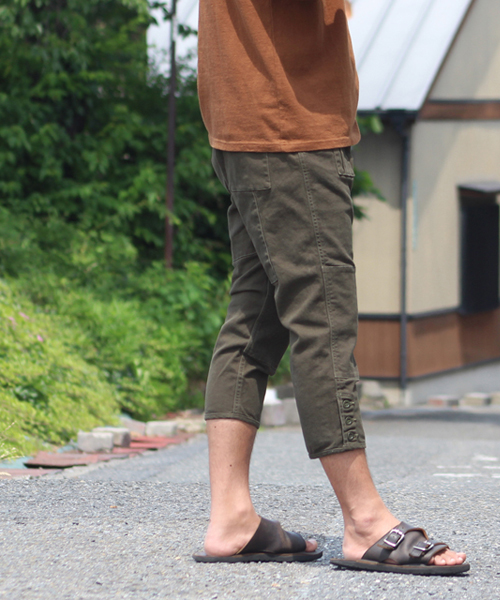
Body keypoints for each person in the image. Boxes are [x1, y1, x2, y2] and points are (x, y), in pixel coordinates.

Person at [192, 0, 469, 575]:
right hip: (287, 122)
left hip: (252, 116)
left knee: (255, 319)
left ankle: (231, 517)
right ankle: (365, 519)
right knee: (323, 317)